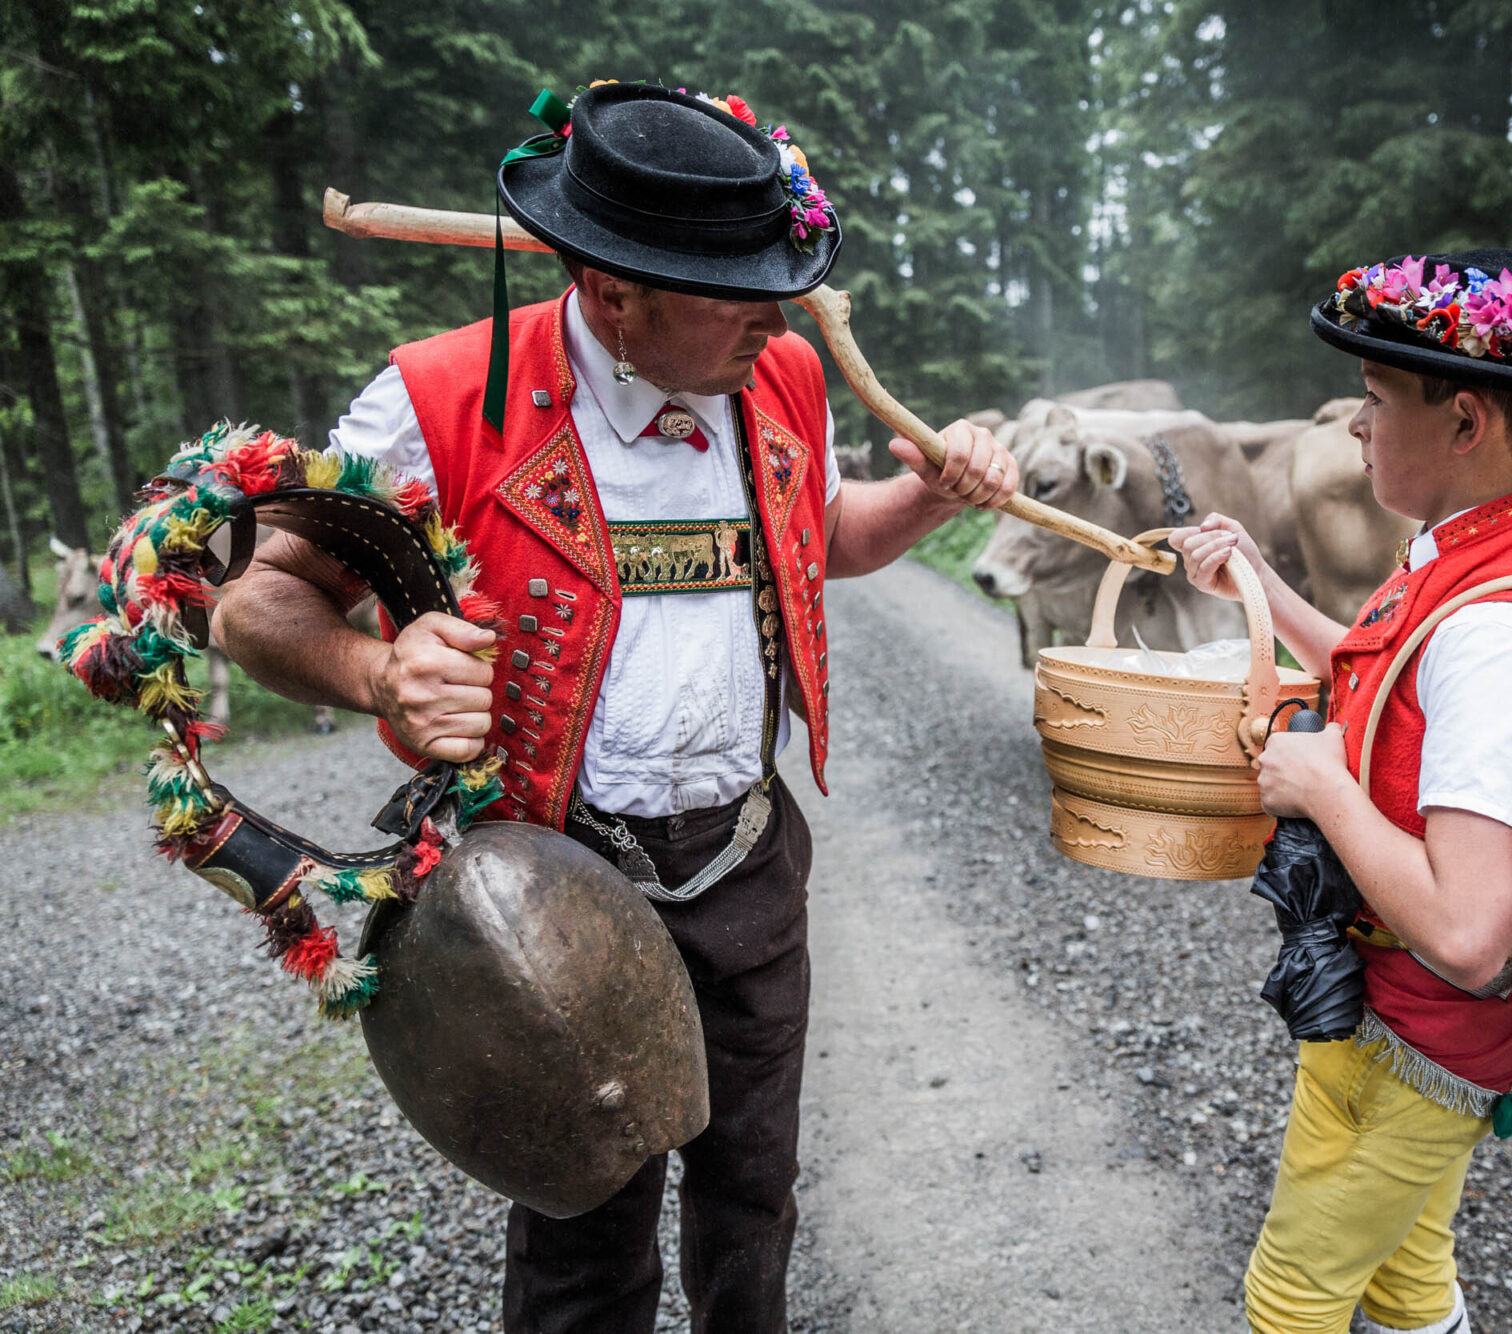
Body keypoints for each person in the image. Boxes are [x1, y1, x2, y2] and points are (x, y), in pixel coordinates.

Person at [212, 81, 1019, 1334]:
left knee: (754, 1190)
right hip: (547, 879)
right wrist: (373, 672)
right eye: (736, 286)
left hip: (748, 857)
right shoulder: (438, 396)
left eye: (778, 276)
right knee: (587, 1214)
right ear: (610, 291)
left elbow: (824, 539)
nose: (775, 311)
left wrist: (928, 497)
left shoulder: (784, 376)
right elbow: (254, 594)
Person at [1170, 249, 1512, 1334]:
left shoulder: (1494, 632)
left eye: (1374, 398)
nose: (1353, 423)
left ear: (1464, 422)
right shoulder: (1478, 554)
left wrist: (1321, 787)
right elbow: (1377, 665)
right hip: (1419, 1026)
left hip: (1415, 1031)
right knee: (1403, 1277)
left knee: (1290, 1297)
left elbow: (1469, 929)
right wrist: (1255, 579)